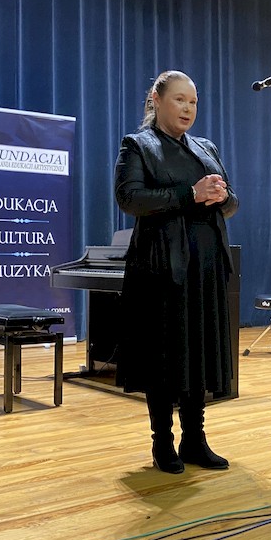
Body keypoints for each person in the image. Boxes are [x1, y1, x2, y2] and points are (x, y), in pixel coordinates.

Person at [114, 70, 239, 473]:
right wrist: (191, 194)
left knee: (198, 353)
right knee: (164, 356)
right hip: (161, 268)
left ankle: (195, 440)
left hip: (205, 266)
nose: (188, 108)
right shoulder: (138, 145)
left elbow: (230, 203)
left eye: (193, 102)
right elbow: (130, 199)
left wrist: (222, 197)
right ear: (156, 99)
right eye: (179, 100)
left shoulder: (206, 147)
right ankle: (162, 443)